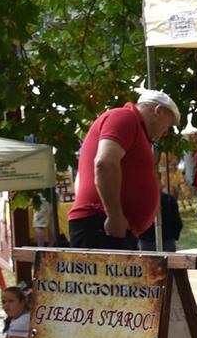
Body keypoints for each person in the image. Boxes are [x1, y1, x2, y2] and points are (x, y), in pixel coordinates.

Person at [67, 90, 179, 249]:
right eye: (168, 124)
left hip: (109, 225)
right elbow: (105, 162)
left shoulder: (136, 129)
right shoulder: (125, 117)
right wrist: (114, 216)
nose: (166, 132)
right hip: (102, 225)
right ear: (159, 111)